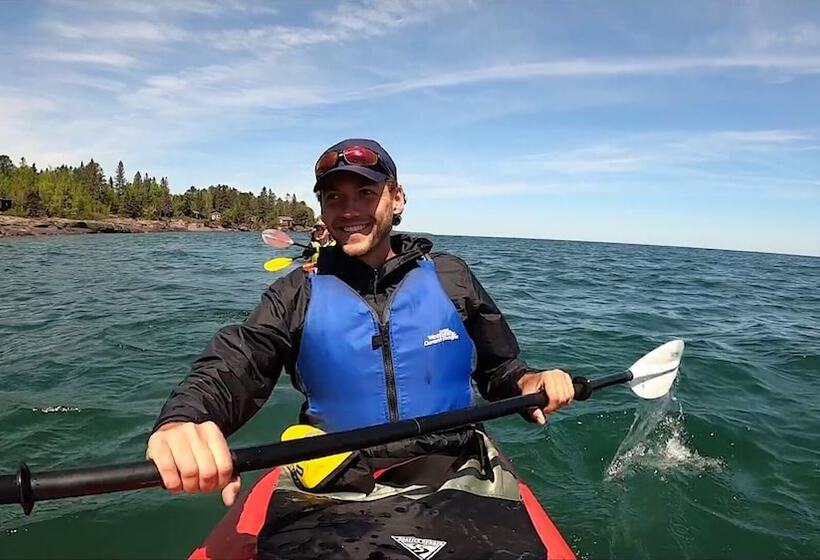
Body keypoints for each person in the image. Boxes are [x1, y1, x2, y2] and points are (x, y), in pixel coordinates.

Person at [146, 138, 575, 507]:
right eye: (334, 197)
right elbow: (237, 361)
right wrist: (184, 418)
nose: (349, 210)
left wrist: (528, 382)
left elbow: (500, 369)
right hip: (335, 477)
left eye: (365, 193)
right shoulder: (296, 291)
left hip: (454, 468)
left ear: (397, 198)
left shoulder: (451, 277)